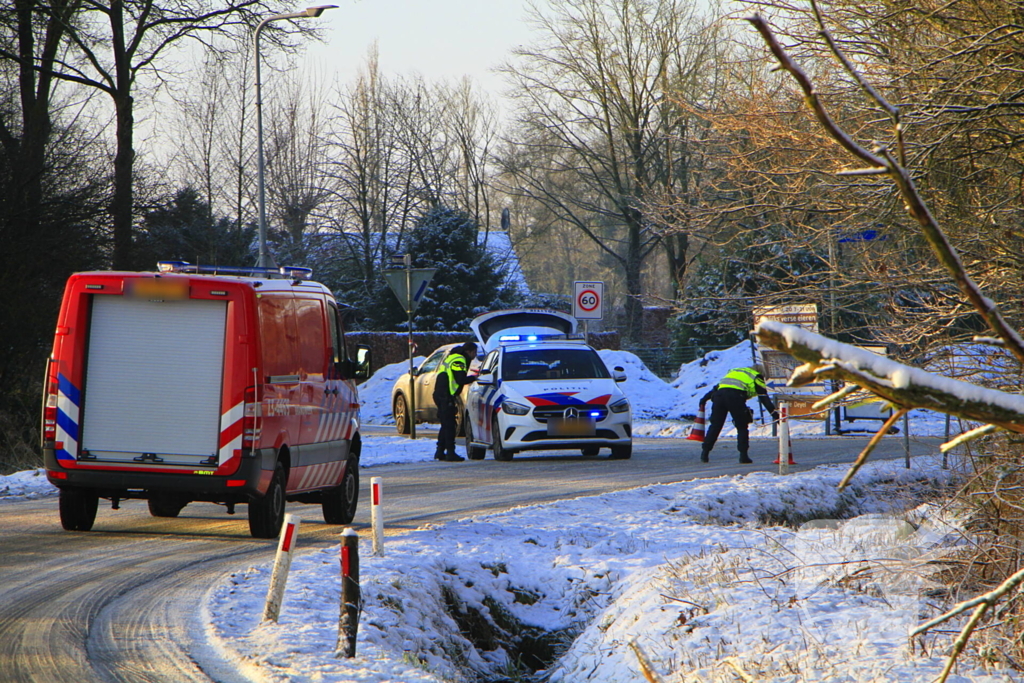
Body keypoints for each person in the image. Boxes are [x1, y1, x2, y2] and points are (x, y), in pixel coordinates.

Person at [698, 366, 778, 464]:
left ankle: (705, 453)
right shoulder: (756, 377)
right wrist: (775, 415)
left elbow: (716, 388)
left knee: (715, 425)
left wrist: (704, 399)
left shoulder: (735, 373)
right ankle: (743, 456)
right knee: (742, 426)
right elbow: (765, 399)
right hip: (735, 398)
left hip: (719, 397)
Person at [433, 342, 478, 462]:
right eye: (475, 352)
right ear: (469, 351)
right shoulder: (459, 360)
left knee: (446, 424)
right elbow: (460, 379)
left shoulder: (454, 356)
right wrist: (475, 377)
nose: (475, 355)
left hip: (441, 393)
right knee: (450, 425)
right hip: (445, 395)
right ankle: (450, 453)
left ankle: (440, 451)